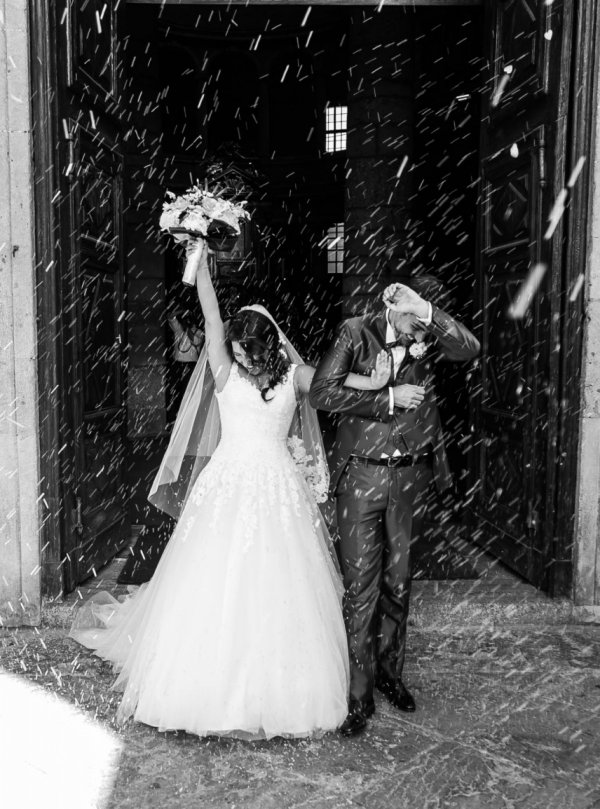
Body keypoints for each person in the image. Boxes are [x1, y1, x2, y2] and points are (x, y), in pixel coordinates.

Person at [69, 238, 389, 740]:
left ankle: (280, 688)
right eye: (235, 346)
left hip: (279, 488)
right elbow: (211, 315)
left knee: (282, 582)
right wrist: (198, 256)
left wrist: (378, 386)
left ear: (269, 344)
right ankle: (203, 684)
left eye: (248, 347)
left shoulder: (296, 378)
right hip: (227, 482)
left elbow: (334, 384)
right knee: (214, 578)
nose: (239, 354)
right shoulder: (222, 370)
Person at [309, 277, 480, 736]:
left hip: (410, 479)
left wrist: (427, 312)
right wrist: (385, 397)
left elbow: (469, 347)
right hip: (361, 477)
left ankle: (390, 674)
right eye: (413, 322)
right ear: (391, 305)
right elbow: (321, 392)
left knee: (398, 582)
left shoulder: (426, 330)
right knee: (361, 587)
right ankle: (358, 695)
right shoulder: (355, 331)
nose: (419, 335)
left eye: (424, 325)